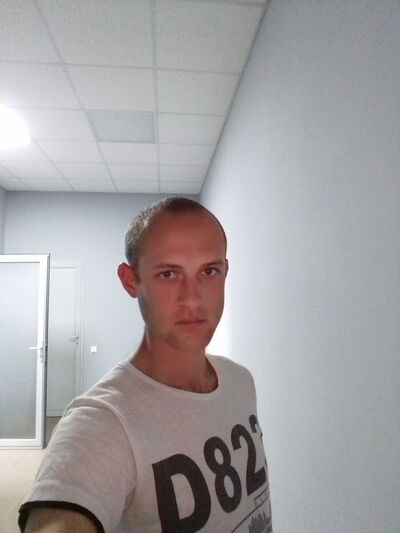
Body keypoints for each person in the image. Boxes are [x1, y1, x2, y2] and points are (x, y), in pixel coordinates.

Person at [19, 197, 272, 532]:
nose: (192, 298)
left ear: (225, 271)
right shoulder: (103, 422)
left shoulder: (240, 381)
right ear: (130, 281)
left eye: (209, 271)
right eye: (169, 274)